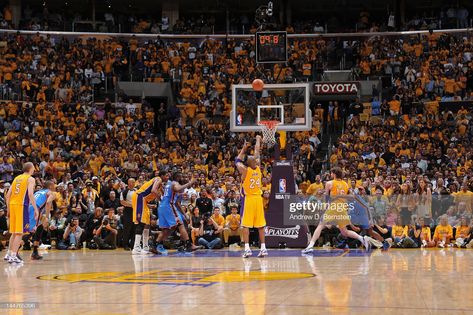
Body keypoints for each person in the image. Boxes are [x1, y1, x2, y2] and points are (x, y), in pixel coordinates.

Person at [302, 167, 370, 254]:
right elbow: (352, 196)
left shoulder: (329, 183)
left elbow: (327, 198)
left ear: (334, 174)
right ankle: (362, 239)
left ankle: (310, 246)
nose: (330, 175)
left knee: (320, 225)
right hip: (342, 208)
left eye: (331, 173)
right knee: (344, 232)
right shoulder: (345, 184)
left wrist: (327, 206)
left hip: (333, 207)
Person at [235, 135, 268, 258]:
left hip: (249, 200)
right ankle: (263, 248)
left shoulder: (245, 170)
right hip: (258, 200)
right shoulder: (258, 169)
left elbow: (237, 161)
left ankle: (247, 249)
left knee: (245, 225)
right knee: (260, 225)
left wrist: (243, 149)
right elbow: (257, 151)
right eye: (253, 159)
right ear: (252, 162)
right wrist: (258, 140)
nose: (255, 159)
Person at [4, 162, 38, 264]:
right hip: (21, 206)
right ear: (31, 169)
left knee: (14, 232)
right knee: (19, 233)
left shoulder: (17, 178)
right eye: (33, 168)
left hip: (13, 205)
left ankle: (9, 253)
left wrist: (9, 208)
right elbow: (31, 194)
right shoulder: (30, 179)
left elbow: (8, 195)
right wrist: (36, 209)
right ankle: (14, 256)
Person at [155, 171, 196, 255]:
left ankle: (156, 244)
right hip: (168, 206)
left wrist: (184, 214)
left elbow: (177, 203)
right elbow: (177, 189)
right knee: (180, 224)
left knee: (168, 229)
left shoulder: (172, 184)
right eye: (183, 177)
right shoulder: (174, 183)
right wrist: (190, 182)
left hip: (163, 206)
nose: (184, 178)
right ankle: (188, 245)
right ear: (178, 177)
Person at [131, 174, 163, 255]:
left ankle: (145, 247)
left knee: (147, 224)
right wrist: (160, 200)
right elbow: (153, 191)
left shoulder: (161, 186)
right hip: (140, 197)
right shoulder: (158, 179)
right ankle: (136, 247)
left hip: (144, 201)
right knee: (140, 223)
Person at [27, 180, 57, 260]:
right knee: (30, 231)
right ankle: (14, 253)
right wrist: (47, 216)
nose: (55, 186)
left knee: (40, 227)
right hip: (35, 209)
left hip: (29, 208)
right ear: (50, 186)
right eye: (54, 185)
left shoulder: (38, 192)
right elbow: (48, 202)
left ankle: (35, 251)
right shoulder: (51, 193)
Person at [120, 178, 136, 250]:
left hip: (136, 211)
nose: (133, 183)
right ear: (128, 183)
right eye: (131, 182)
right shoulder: (124, 192)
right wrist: (132, 205)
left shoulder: (137, 191)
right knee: (127, 229)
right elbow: (122, 202)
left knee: (134, 228)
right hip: (127, 211)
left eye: (134, 182)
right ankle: (125, 245)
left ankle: (133, 245)